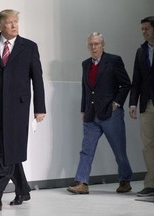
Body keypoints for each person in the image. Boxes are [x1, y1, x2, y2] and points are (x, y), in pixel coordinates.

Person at [0, 9, 46, 213]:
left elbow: (37, 79)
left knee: (7, 150)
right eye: (9, 22)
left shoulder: (29, 47)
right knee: (2, 150)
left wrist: (40, 108)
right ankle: (23, 189)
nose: (14, 26)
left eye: (16, 22)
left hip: (19, 108)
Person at [67, 32, 133, 194]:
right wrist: (83, 109)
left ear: (103, 45)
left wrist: (117, 103)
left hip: (111, 114)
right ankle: (82, 183)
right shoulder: (85, 64)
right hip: (91, 114)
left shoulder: (113, 60)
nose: (94, 47)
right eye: (91, 44)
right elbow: (85, 89)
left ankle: (125, 180)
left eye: (97, 44)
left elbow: (125, 84)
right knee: (86, 150)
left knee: (119, 150)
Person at [129, 16, 154, 197]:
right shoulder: (140, 51)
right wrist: (132, 103)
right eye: (142, 29)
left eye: (147, 28)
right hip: (147, 104)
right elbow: (136, 80)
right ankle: (151, 184)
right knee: (148, 145)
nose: (144, 32)